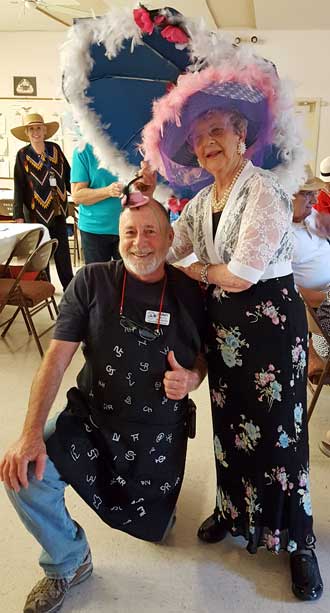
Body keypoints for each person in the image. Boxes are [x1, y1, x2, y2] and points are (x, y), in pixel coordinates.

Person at [141, 60, 323, 600]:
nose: (206, 144)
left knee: (280, 436)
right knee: (230, 427)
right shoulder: (203, 200)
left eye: (216, 130)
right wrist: (143, 218)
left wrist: (196, 270)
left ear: (241, 133)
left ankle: (298, 541)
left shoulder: (264, 189)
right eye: (198, 137)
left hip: (270, 327)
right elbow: (170, 251)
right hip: (225, 333)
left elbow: (241, 274)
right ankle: (234, 510)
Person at [0, 197, 206, 613]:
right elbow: (56, 359)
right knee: (23, 473)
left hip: (156, 434)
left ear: (169, 238)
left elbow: (207, 358)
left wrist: (192, 378)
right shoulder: (90, 281)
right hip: (92, 417)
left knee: (157, 531)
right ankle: (68, 561)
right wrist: (28, 435)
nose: (140, 242)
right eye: (130, 232)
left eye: (151, 231)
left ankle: (157, 511)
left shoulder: (192, 292)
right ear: (117, 239)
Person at [11, 113, 73, 291]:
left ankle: (70, 291)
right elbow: (19, 187)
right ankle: (45, 289)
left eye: (38, 128)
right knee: (42, 255)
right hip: (35, 214)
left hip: (59, 210)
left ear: (45, 130)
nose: (35, 132)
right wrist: (18, 216)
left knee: (62, 254)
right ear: (27, 133)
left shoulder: (55, 149)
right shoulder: (22, 155)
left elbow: (68, 175)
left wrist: (79, 192)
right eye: (31, 129)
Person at [71, 143, 123, 263]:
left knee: (127, 278)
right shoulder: (82, 151)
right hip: (94, 230)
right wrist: (108, 191)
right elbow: (77, 196)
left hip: (128, 227)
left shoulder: (129, 146)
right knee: (98, 278)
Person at [292, 166, 330, 291]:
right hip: (320, 301)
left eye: (315, 193)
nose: (315, 201)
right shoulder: (276, 231)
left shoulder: (310, 213)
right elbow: (287, 290)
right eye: (308, 193)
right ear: (288, 193)